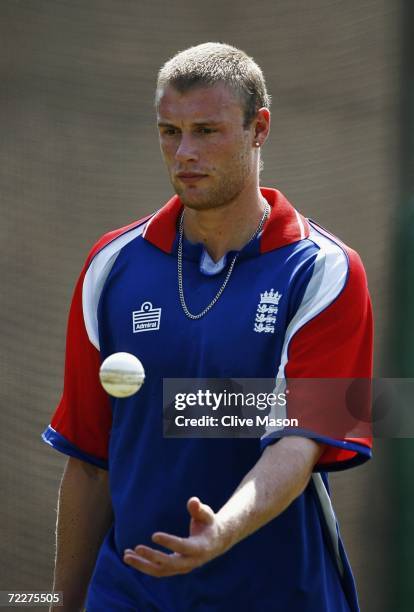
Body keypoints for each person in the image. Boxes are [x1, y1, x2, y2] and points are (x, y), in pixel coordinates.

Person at [43, 42, 373, 611]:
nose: (184, 153)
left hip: (278, 594)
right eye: (170, 132)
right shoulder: (112, 263)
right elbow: (90, 462)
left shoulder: (325, 269)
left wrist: (222, 529)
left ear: (258, 128)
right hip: (130, 593)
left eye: (206, 131)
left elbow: (299, 442)